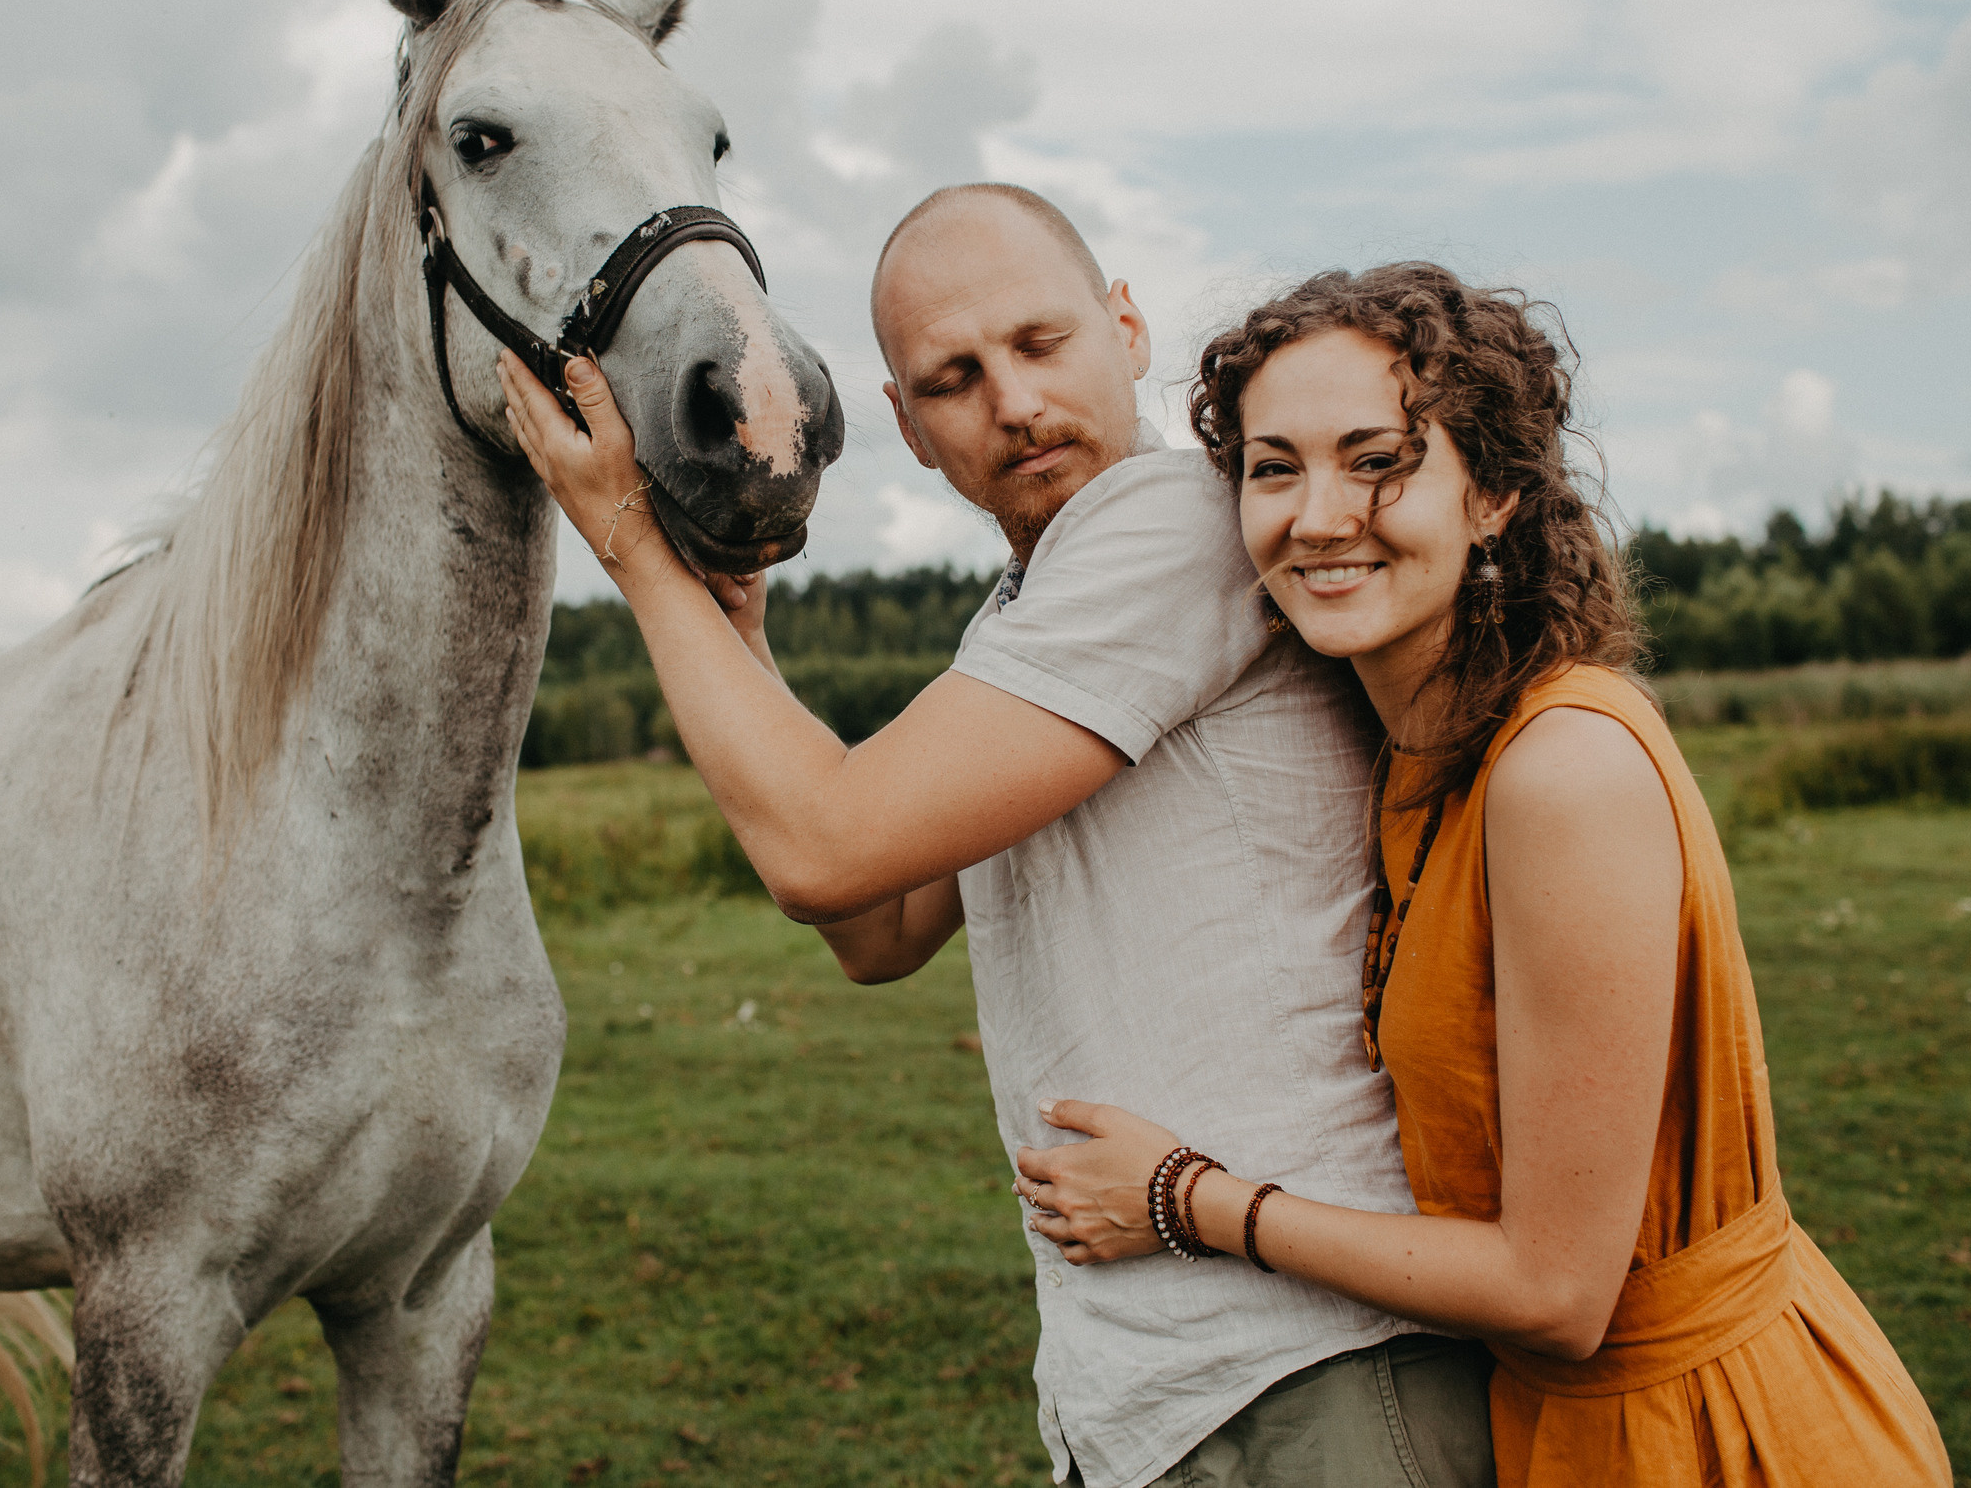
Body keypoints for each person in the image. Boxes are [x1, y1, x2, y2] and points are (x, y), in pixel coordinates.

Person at [499, 186, 1497, 1488]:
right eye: (955, 378)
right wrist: (736, 634)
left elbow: (825, 845)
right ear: (907, 428)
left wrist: (629, 536)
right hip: (1164, 1383)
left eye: (1041, 343)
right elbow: (881, 926)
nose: (1014, 401)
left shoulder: (1174, 527)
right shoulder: (1032, 604)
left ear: (1128, 326)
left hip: (1310, 1366)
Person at [1010, 263, 1952, 1486]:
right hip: (1555, 1426)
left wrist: (1184, 1198)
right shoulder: (1417, 764)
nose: (1319, 515)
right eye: (1274, 467)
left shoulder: (1558, 770)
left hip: (1710, 1434)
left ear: (1496, 491)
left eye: (1377, 460)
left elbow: (1558, 1289)